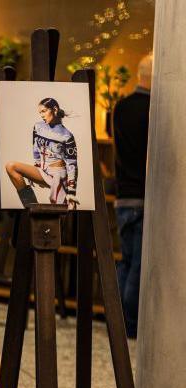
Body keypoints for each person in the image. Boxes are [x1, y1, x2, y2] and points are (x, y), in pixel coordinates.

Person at [113, 53, 152, 339]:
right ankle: (129, 325)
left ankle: (116, 320)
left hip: (122, 195)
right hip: (143, 196)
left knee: (125, 260)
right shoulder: (154, 110)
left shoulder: (121, 107)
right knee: (138, 266)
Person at [4, 97, 79, 208]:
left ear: (54, 109)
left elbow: (72, 164)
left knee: (64, 213)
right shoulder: (37, 127)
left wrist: (71, 191)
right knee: (11, 166)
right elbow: (36, 149)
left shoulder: (67, 135)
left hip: (58, 175)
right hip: (43, 171)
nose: (42, 115)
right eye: (40, 112)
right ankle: (31, 207)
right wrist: (37, 166)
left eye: (44, 111)